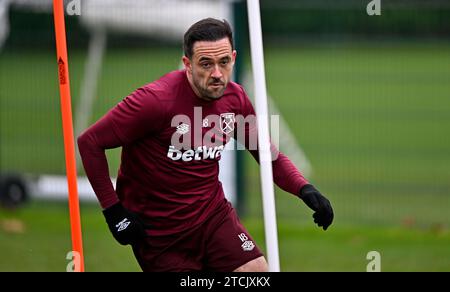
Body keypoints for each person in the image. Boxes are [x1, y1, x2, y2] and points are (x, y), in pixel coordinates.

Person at [77, 18, 334, 272]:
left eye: (224, 62)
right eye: (206, 64)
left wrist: (305, 189)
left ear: (233, 57)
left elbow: (269, 157)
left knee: (255, 271)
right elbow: (90, 142)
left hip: (212, 217)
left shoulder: (235, 99)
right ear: (187, 64)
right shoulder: (154, 101)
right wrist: (114, 213)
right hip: (160, 233)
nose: (217, 74)